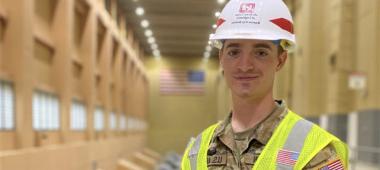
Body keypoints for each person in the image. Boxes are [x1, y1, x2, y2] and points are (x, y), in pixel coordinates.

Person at [181, 0, 348, 169]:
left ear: (280, 60)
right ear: (221, 58)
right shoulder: (197, 152)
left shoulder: (315, 151)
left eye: (260, 52)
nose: (245, 65)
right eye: (234, 52)